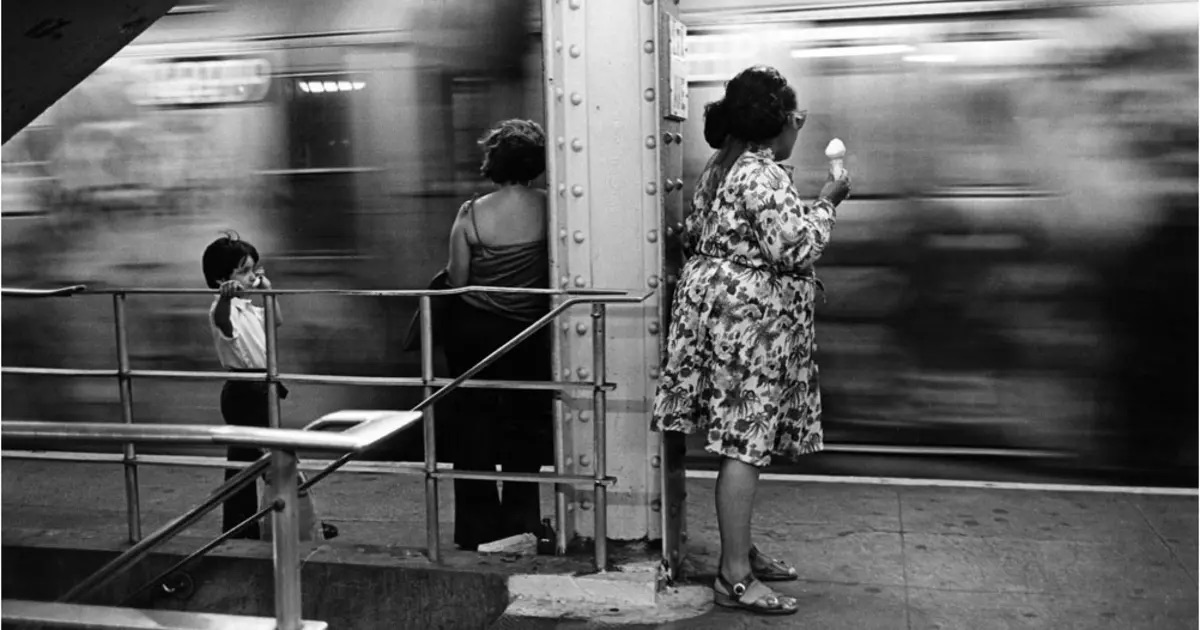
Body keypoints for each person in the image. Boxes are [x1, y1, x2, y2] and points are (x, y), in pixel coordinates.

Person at [652, 66, 850, 615]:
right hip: (748, 324)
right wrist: (830, 200)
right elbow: (795, 248)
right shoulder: (762, 174)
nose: (799, 127)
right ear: (779, 124)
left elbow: (695, 234)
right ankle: (734, 574)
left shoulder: (723, 166)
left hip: (721, 313)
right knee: (745, 444)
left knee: (743, 441)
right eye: (796, 118)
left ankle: (740, 549)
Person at [442, 119, 554, 551]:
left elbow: (458, 278)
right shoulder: (551, 208)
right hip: (529, 336)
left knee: (474, 433)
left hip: (475, 339)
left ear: (494, 161)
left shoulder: (472, 214)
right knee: (525, 433)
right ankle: (523, 523)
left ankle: (476, 528)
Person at [201, 232, 336, 541]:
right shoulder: (222, 309)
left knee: (245, 462)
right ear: (223, 278)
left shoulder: (249, 307)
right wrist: (225, 295)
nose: (252, 277)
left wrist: (268, 289)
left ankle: (243, 525)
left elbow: (276, 320)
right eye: (245, 271)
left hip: (260, 387)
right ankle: (301, 522)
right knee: (274, 457)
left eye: (254, 269)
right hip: (244, 390)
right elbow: (223, 322)